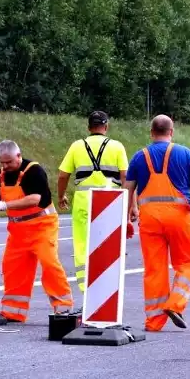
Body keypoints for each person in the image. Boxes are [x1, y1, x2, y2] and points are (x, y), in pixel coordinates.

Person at [123, 114, 190, 332]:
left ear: (151, 133)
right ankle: (175, 303)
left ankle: (154, 321)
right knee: (188, 262)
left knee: (154, 269)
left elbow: (127, 189)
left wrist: (126, 218)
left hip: (149, 219)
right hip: (178, 217)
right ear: (171, 132)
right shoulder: (184, 153)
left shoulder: (140, 157)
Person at [0, 140, 73, 322]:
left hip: (42, 225)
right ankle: (13, 311)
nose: (5, 166)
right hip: (18, 231)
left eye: (9, 162)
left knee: (49, 263)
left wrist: (4, 205)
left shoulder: (34, 171)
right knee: (12, 268)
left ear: (19, 156)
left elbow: (35, 199)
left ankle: (64, 309)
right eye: (1, 162)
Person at [57, 111, 134, 295]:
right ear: (106, 127)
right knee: (108, 244)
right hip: (111, 203)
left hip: (84, 203)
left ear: (88, 127)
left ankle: (86, 289)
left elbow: (62, 175)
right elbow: (126, 178)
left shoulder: (77, 146)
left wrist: (61, 196)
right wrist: (131, 206)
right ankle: (107, 286)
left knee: (83, 245)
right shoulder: (116, 147)